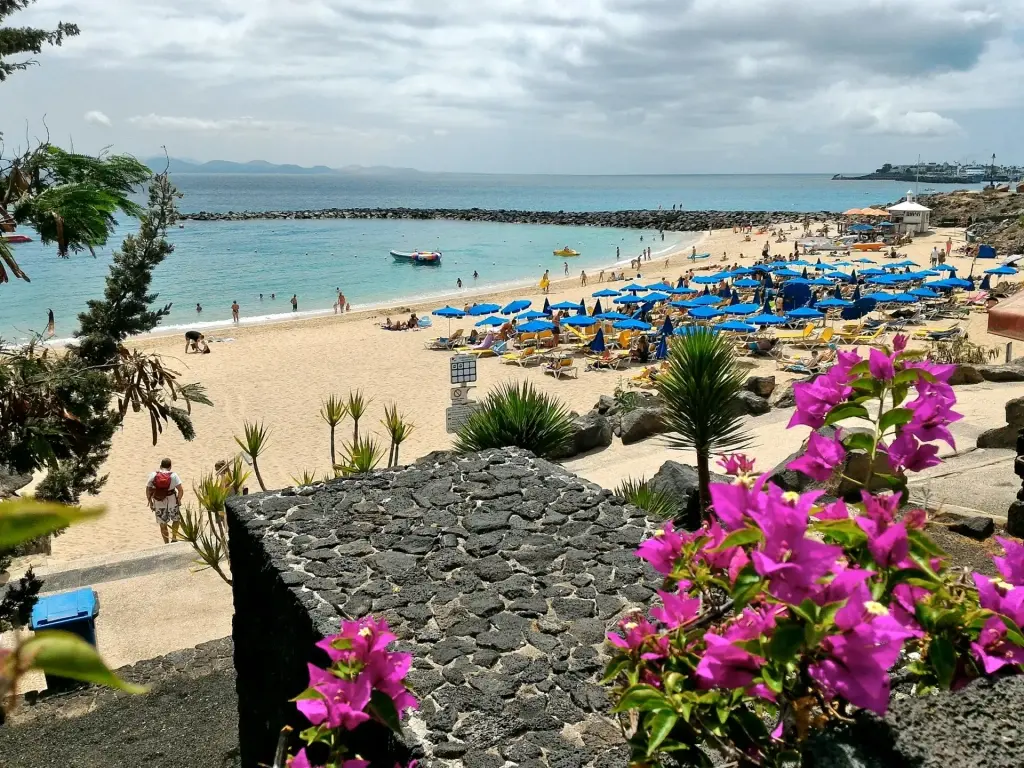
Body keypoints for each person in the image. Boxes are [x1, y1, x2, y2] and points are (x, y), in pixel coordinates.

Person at [146, 458, 184, 544]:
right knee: (176, 520)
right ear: (170, 467)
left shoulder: (153, 475)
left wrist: (150, 502)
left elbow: (148, 489)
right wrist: (178, 500)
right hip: (172, 501)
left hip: (159, 502)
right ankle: (174, 538)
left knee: (163, 524)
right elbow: (181, 490)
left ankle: (166, 543)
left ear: (160, 466)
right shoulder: (174, 475)